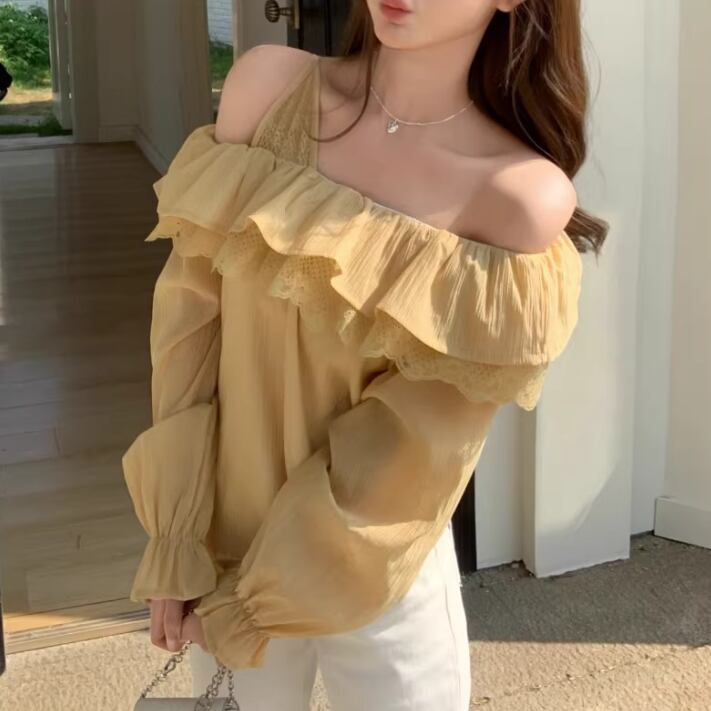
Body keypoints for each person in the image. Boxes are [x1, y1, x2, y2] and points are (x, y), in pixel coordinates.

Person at [122, 1, 607, 709]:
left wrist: (254, 603)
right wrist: (176, 536)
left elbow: (415, 444)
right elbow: (189, 331)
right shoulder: (268, 91)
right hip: (223, 552)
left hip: (377, 572)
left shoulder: (516, 197)